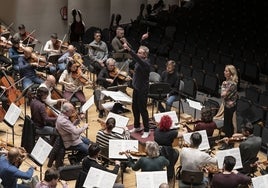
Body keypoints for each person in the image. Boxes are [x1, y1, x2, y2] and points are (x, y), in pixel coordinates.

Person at [123, 43, 151, 138]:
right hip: (136, 88)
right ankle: (137, 126)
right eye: (138, 52)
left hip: (142, 90)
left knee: (143, 110)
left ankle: (147, 129)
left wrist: (129, 49)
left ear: (145, 55)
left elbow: (137, 58)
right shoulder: (139, 61)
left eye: (140, 53)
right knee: (135, 108)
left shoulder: (146, 63)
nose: (138, 54)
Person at [154, 115, 187, 185]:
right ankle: (170, 172)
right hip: (168, 153)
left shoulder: (156, 131)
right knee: (176, 152)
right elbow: (183, 134)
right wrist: (185, 129)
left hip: (157, 152)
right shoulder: (172, 133)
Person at [219, 65, 239, 150]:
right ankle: (227, 142)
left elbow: (223, 95)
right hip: (227, 106)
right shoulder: (228, 82)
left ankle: (229, 144)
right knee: (227, 125)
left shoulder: (232, 84)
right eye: (224, 70)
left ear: (231, 73)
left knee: (228, 126)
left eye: (226, 71)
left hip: (230, 107)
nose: (224, 72)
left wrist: (223, 86)